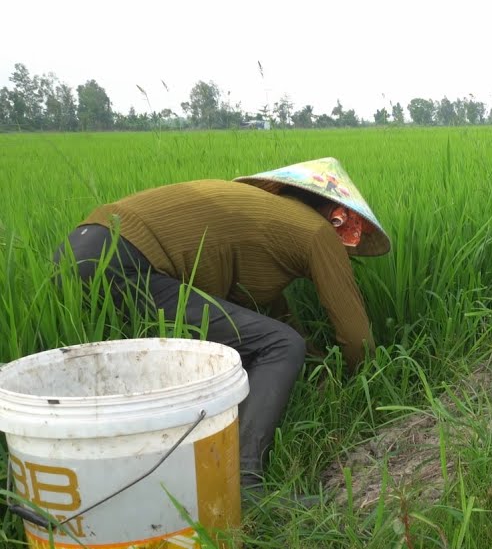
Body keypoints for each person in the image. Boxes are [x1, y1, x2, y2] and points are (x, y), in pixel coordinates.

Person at [54, 157, 389, 501]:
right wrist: (366, 390)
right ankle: (242, 483)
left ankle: (153, 473)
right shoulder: (318, 232)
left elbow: (266, 320)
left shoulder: (265, 216)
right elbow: (355, 335)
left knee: (258, 347)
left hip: (77, 251)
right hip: (128, 263)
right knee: (281, 346)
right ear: (336, 215)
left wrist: (318, 368)